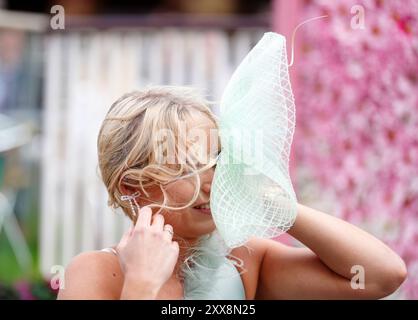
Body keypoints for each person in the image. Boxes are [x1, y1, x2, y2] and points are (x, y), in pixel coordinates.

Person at [57, 86, 407, 300]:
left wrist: (276, 205)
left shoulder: (242, 260)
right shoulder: (98, 272)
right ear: (131, 186)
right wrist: (142, 284)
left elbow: (382, 275)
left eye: (215, 160)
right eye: (187, 168)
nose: (211, 181)